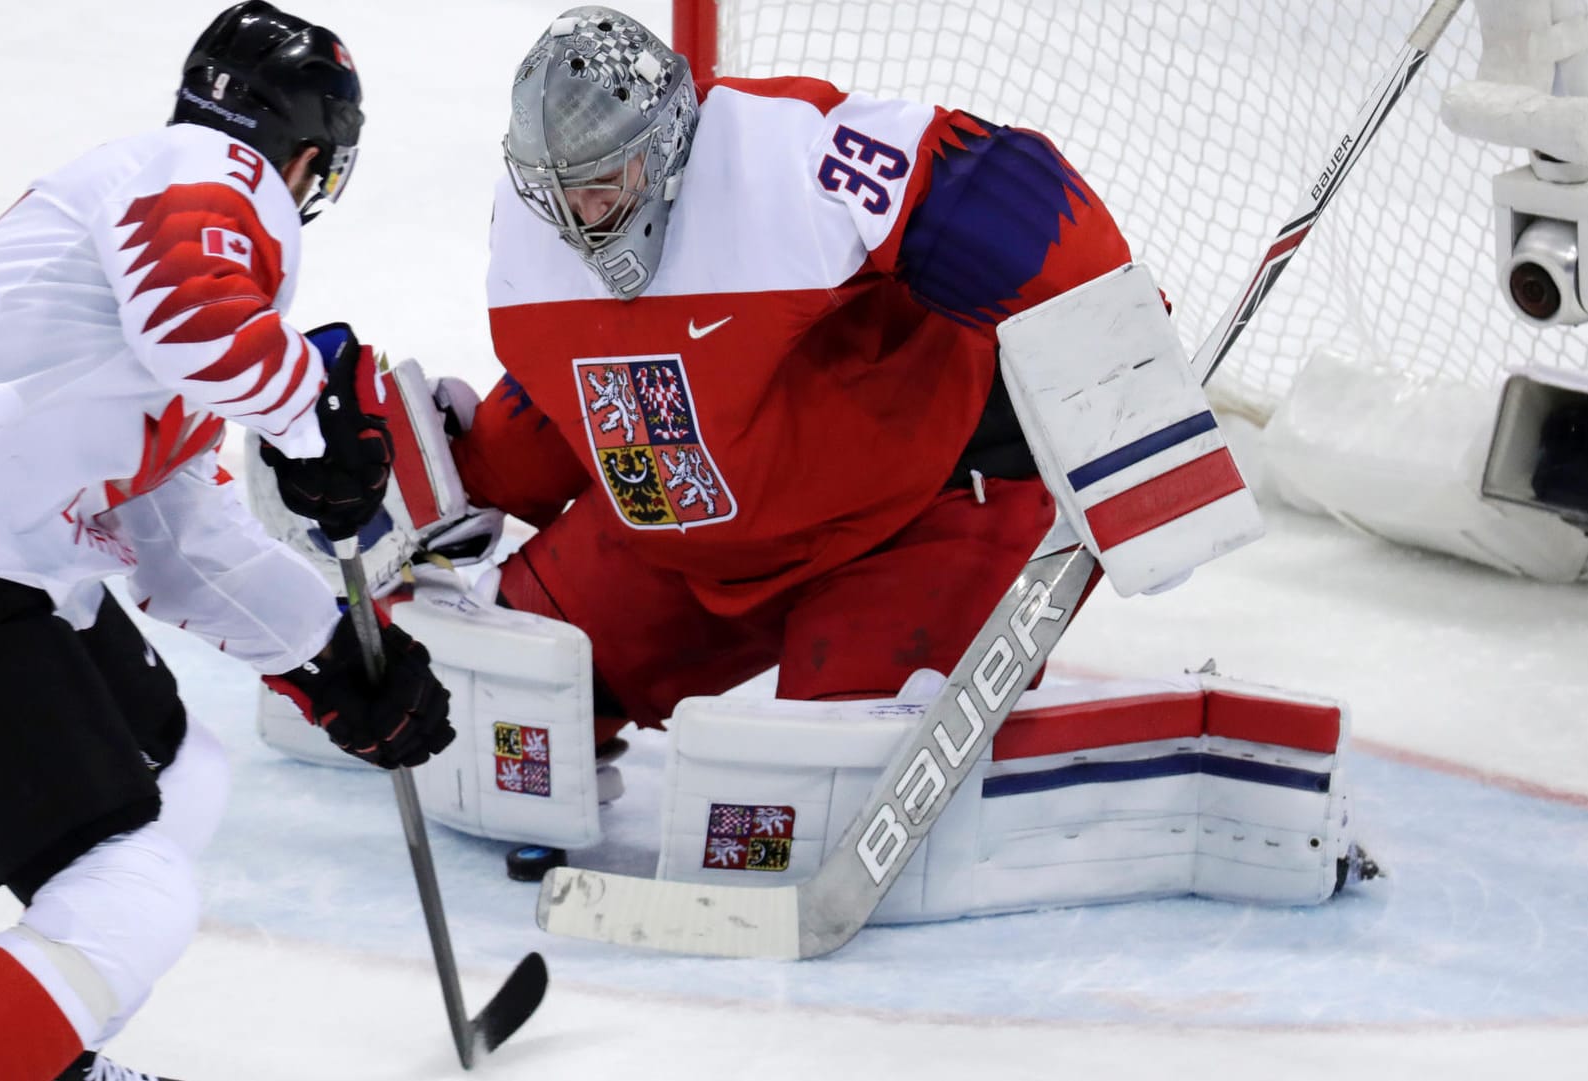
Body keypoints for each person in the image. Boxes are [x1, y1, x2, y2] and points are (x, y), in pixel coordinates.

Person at [0, 4, 452, 1080]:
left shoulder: (158, 238)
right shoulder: (205, 177)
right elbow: (196, 316)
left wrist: (333, 651)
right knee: (134, 892)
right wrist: (307, 419)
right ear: (312, 155)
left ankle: (43, 1053)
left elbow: (175, 535)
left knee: (180, 772)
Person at [457, 5, 1132, 746]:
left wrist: (1134, 400)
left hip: (910, 521)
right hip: (690, 552)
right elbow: (577, 385)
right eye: (557, 189)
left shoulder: (792, 154)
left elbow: (997, 194)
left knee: (840, 774)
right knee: (502, 685)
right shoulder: (528, 232)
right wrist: (471, 476)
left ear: (672, 132)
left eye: (605, 178)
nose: (583, 215)